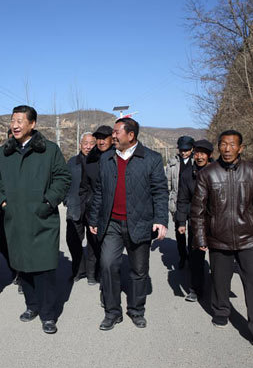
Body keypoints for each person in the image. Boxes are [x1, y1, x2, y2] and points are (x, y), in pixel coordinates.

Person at [0, 105, 71, 334]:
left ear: (32, 124)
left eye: (20, 121)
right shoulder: (3, 153)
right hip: (15, 220)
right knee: (22, 266)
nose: (15, 125)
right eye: (12, 120)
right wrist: (3, 202)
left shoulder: (50, 150)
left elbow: (63, 178)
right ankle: (31, 306)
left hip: (42, 220)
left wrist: (48, 202)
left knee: (44, 269)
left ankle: (48, 314)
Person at [191, 130, 253, 350]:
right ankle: (221, 310)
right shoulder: (207, 173)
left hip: (249, 238)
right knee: (220, 279)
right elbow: (198, 211)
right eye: (223, 145)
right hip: (219, 238)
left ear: (241, 148)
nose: (227, 149)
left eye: (232, 145)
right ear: (218, 147)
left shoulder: (252, 171)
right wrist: (200, 238)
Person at [88, 118, 168, 331]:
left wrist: (161, 220)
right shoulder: (106, 159)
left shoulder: (151, 158)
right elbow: (99, 192)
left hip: (140, 223)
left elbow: (160, 191)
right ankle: (112, 312)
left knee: (138, 271)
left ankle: (136, 310)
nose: (112, 136)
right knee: (107, 265)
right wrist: (94, 218)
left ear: (131, 135)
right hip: (111, 223)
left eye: (116, 132)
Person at [175, 139, 213, 302]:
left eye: (203, 153)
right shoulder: (187, 174)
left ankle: (219, 289)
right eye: (197, 152)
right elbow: (182, 199)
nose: (199, 156)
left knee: (219, 259)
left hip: (217, 220)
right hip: (195, 220)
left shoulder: (218, 171)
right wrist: (182, 222)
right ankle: (195, 289)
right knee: (196, 257)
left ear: (209, 155)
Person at [79, 125, 115, 288]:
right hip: (93, 210)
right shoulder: (90, 160)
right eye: (98, 138)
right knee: (93, 244)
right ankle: (93, 273)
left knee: (110, 248)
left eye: (104, 138)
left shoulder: (118, 157)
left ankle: (108, 280)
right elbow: (84, 186)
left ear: (112, 138)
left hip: (113, 211)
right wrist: (87, 202)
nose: (100, 141)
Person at [64, 132, 97, 283]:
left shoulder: (100, 161)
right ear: (80, 144)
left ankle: (92, 273)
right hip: (75, 206)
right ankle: (78, 270)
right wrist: (66, 200)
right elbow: (63, 182)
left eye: (92, 143)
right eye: (86, 143)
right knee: (73, 240)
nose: (88, 147)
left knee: (93, 242)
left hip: (93, 208)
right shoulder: (72, 162)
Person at [0, 129, 22, 293]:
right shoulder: (2, 155)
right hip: (6, 208)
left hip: (25, 208)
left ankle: (23, 275)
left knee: (22, 243)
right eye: (11, 137)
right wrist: (1, 200)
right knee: (3, 243)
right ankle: (16, 269)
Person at [166, 136, 194, 269]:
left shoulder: (197, 161)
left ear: (192, 149)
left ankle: (193, 255)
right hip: (177, 201)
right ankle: (183, 256)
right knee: (179, 232)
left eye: (187, 149)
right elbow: (168, 183)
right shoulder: (172, 163)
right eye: (182, 149)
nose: (184, 152)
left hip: (194, 202)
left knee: (193, 231)